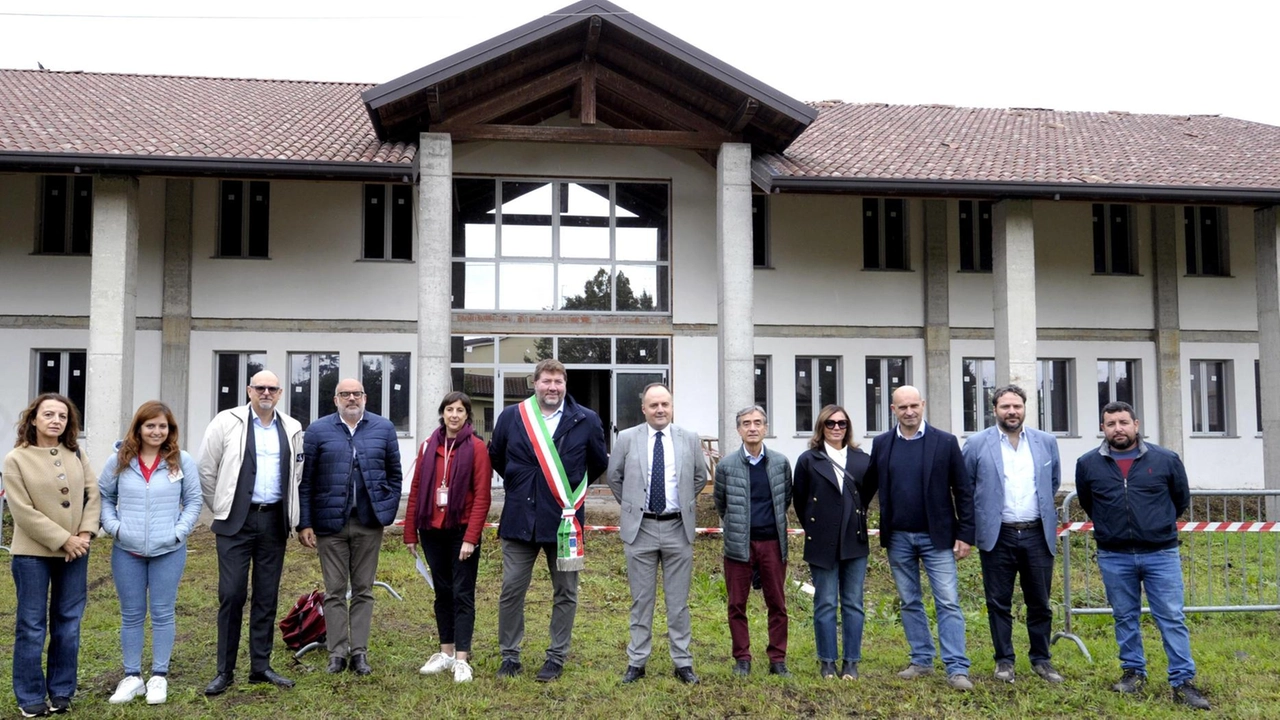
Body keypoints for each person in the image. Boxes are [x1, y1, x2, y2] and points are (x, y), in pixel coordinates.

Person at [1075, 401, 1210, 710]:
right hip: (1114, 554)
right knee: (1125, 617)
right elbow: (1088, 502)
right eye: (1111, 424)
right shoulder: (1088, 464)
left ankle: (1182, 681)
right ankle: (1133, 672)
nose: (1117, 428)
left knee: (1171, 618)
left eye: (1123, 422)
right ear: (1102, 428)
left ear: (1136, 425)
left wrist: (1154, 526)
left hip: (1160, 552)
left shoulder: (1165, 460)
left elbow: (1180, 500)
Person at [488, 358, 609, 682]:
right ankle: (510, 656)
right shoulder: (512, 417)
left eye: (558, 382)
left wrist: (562, 492)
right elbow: (497, 456)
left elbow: (596, 462)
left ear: (565, 384)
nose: (552, 387)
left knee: (566, 591)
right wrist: (522, 483)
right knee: (512, 590)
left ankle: (556, 657)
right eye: (546, 381)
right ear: (534, 383)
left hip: (564, 522)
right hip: (519, 520)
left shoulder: (586, 419)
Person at [198, 370, 304, 695]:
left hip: (274, 521)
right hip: (236, 522)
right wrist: (223, 505)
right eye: (260, 388)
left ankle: (261, 666)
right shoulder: (226, 422)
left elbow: (296, 472)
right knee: (231, 594)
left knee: (266, 596)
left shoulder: (292, 427)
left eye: (272, 388)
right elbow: (206, 468)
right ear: (249, 390)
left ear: (280, 392)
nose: (266, 393)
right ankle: (224, 671)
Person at [863, 385, 975, 691]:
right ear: (892, 409)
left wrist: (965, 534)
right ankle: (922, 660)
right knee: (910, 600)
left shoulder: (945, 442)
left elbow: (963, 492)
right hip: (898, 537)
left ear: (923, 405)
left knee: (948, 602)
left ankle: (957, 668)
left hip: (937, 537)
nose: (909, 412)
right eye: (903, 407)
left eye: (914, 405)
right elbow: (867, 487)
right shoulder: (883, 444)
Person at [99, 401, 203, 706]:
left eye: (163, 426)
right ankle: (132, 677)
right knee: (131, 614)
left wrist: (179, 531)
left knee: (162, 612)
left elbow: (194, 500)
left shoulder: (180, 461)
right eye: (150, 425)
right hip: (126, 550)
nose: (157, 431)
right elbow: (105, 495)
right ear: (138, 428)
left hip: (168, 550)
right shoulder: (119, 460)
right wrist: (114, 527)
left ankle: (159, 676)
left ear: (170, 430)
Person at [3, 394, 101, 718]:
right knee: (31, 626)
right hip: (33, 555)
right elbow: (22, 511)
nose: (55, 420)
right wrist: (64, 540)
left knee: (68, 624)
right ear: (33, 419)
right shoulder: (16, 459)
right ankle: (30, 696)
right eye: (48, 414)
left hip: (76, 552)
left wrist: (84, 535)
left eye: (62, 415)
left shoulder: (77, 454)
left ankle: (61, 692)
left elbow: (93, 495)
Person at [297, 378, 403, 676]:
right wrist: (305, 522)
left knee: (363, 590)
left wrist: (387, 509)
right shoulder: (318, 431)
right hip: (329, 523)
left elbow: (395, 476)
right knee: (334, 591)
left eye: (357, 394)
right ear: (336, 400)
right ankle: (337, 653)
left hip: (369, 523)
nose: (352, 398)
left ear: (365, 398)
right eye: (345, 394)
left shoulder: (383, 428)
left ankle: (359, 653)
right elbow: (306, 481)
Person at [606, 383, 708, 685]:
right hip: (641, 530)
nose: (660, 410)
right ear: (644, 409)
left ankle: (683, 662)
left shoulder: (689, 439)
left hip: (679, 528)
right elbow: (614, 477)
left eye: (665, 404)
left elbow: (700, 477)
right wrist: (634, 506)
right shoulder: (626, 438)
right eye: (654, 405)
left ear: (672, 406)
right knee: (641, 600)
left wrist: (684, 505)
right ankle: (637, 661)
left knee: (678, 602)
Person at [963, 385, 1063, 685]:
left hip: (1036, 533)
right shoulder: (977, 443)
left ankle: (1041, 659)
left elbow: (1053, 482)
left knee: (1040, 602)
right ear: (994, 409)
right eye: (1005, 406)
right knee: (998, 602)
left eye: (1017, 406)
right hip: (998, 535)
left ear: (1025, 408)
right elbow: (966, 487)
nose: (1012, 412)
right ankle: (1004, 660)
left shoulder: (1045, 442)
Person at [406, 391, 493, 684]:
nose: (454, 415)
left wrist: (471, 537)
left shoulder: (477, 448)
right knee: (442, 592)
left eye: (460, 410)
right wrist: (410, 533)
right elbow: (416, 489)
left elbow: (482, 496)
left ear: (467, 415)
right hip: (432, 530)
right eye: (449, 409)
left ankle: (462, 659)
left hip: (461, 531)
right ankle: (445, 653)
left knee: (462, 593)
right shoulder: (429, 446)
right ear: (442, 413)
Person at [713, 405, 793, 678]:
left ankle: (777, 659)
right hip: (739, 545)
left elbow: (786, 500)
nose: (752, 427)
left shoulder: (781, 463)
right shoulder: (726, 466)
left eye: (758, 422)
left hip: (772, 543)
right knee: (737, 604)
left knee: (777, 605)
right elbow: (721, 504)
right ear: (738, 430)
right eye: (746, 423)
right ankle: (742, 658)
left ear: (766, 428)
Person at [793, 404, 871, 680]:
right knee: (825, 603)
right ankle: (827, 661)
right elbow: (800, 500)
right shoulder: (808, 460)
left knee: (853, 603)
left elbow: (867, 496)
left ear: (848, 427)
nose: (836, 428)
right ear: (821, 427)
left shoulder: (862, 460)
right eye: (830, 423)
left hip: (854, 541)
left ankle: (851, 662)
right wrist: (818, 527)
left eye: (842, 423)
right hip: (821, 540)